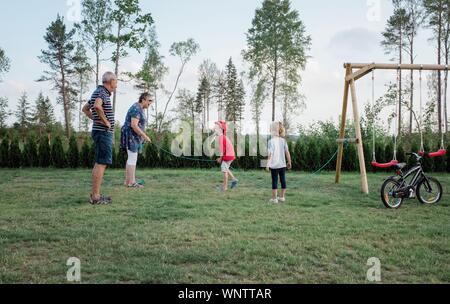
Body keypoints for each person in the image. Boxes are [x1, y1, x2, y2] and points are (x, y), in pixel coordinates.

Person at [82, 72, 117, 205]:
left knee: (100, 162)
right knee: (101, 163)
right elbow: (97, 106)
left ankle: (96, 194)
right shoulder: (102, 92)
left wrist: (97, 120)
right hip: (103, 132)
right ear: (111, 81)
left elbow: (85, 109)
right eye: (116, 82)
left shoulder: (98, 91)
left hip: (100, 131)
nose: (116, 85)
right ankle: (95, 197)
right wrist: (105, 122)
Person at [120, 92, 153, 188]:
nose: (150, 103)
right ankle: (131, 182)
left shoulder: (139, 108)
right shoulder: (136, 108)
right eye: (149, 100)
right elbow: (134, 125)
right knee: (132, 157)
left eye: (151, 101)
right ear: (143, 100)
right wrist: (144, 136)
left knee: (131, 157)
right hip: (131, 136)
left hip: (134, 136)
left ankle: (128, 181)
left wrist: (142, 136)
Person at [266, 122, 292, 204]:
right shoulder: (283, 141)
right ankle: (282, 197)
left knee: (274, 180)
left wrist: (267, 164)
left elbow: (270, 154)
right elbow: (287, 152)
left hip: (274, 165)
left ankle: (274, 198)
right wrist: (289, 162)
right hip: (282, 165)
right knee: (283, 180)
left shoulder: (271, 141)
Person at [215, 120, 239, 191]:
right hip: (230, 155)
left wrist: (220, 158)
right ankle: (234, 179)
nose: (214, 129)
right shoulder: (223, 137)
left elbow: (222, 151)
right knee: (226, 168)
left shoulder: (221, 137)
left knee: (224, 170)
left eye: (216, 128)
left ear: (221, 129)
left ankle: (224, 188)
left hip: (228, 156)